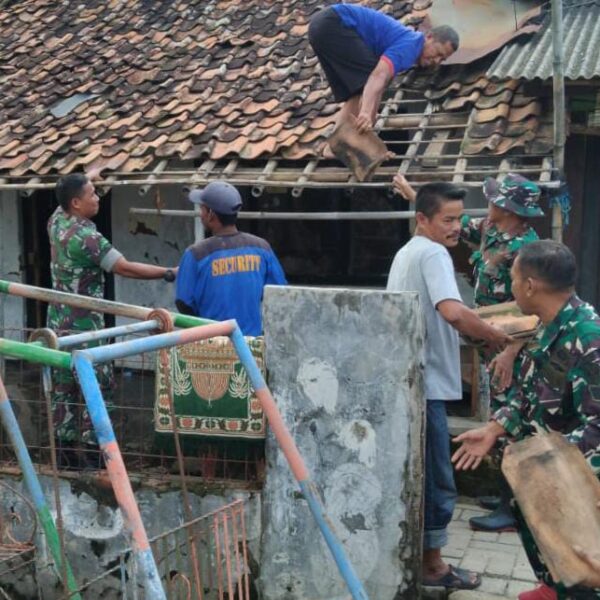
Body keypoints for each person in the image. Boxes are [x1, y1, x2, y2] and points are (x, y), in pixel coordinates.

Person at [394, 172, 545, 531]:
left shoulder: (528, 248)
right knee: (498, 417)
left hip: (512, 342)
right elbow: (441, 220)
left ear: (508, 208)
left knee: (513, 421)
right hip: (487, 339)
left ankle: (514, 507)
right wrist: (416, 196)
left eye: (494, 200)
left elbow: (535, 305)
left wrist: (509, 351)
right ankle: (505, 490)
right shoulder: (488, 229)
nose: (487, 206)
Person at [452, 240, 600, 600]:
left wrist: (549, 468)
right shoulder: (547, 328)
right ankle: (553, 586)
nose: (511, 284)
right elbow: (534, 393)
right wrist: (496, 427)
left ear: (530, 286)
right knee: (554, 555)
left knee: (586, 572)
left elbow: (597, 430)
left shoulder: (589, 339)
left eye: (514, 277)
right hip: (551, 476)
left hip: (579, 486)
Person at [386, 182, 511, 590]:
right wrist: (493, 335)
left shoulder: (407, 253)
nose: (456, 228)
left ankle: (417, 558)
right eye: (448, 220)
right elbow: (453, 312)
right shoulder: (434, 253)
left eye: (459, 219)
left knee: (418, 475)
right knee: (438, 478)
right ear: (422, 219)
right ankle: (434, 567)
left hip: (410, 381)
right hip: (429, 385)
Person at [47, 173, 177, 467]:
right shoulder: (88, 238)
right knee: (96, 383)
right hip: (85, 325)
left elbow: (63, 194)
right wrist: (168, 272)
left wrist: (89, 177)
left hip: (58, 320)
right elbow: (124, 268)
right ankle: (96, 455)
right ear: (76, 203)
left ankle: (65, 456)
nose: (98, 198)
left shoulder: (56, 222)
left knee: (64, 385)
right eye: (92, 194)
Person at [308, 4, 459, 133]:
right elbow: (377, 76)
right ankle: (346, 138)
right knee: (366, 82)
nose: (437, 61)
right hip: (335, 23)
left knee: (355, 93)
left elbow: (379, 85)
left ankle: (336, 144)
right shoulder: (411, 46)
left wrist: (371, 118)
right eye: (438, 53)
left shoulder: (408, 43)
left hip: (320, 27)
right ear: (429, 37)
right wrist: (366, 113)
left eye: (442, 59)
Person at [175, 181, 287, 335]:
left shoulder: (195, 254)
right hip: (251, 347)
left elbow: (184, 302)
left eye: (202, 209)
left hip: (210, 345)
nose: (200, 214)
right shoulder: (262, 248)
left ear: (211, 214)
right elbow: (279, 294)